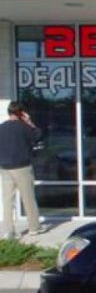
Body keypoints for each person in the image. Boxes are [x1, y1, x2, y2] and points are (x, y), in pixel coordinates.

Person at [0, 102, 43, 238]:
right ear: (21, 113)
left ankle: (9, 231)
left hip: (5, 167)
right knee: (28, 198)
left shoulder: (1, 128)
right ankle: (34, 228)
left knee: (7, 200)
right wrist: (30, 122)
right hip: (22, 167)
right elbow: (37, 136)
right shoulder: (24, 127)